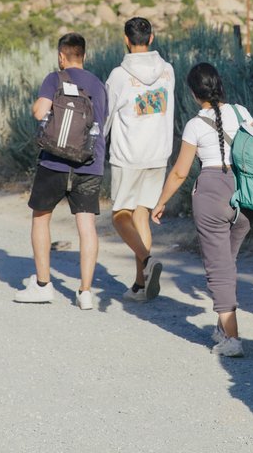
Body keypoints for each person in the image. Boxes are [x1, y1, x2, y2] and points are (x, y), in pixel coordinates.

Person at [152, 63, 253, 357]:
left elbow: (180, 172)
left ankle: (232, 339)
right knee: (228, 262)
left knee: (218, 269)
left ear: (194, 94)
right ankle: (223, 329)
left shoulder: (195, 125)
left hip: (212, 193)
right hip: (245, 194)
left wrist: (161, 202)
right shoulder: (243, 113)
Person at [14, 33, 107, 310]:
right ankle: (85, 292)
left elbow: (39, 112)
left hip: (54, 161)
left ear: (61, 56)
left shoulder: (54, 78)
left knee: (41, 218)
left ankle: (43, 285)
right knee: (86, 226)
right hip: (89, 163)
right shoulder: (99, 85)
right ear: (84, 56)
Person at [103, 17, 176, 302]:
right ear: (151, 37)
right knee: (141, 215)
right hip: (158, 154)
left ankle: (147, 260)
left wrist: (96, 147)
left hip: (128, 156)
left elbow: (107, 116)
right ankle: (140, 285)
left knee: (120, 216)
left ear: (126, 39)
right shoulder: (168, 70)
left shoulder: (119, 75)